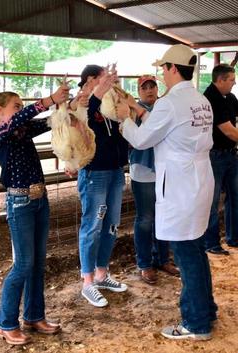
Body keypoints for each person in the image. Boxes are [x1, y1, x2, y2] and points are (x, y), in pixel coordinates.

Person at [116, 44, 217, 340]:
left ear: (172, 69)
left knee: (186, 254)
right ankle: (206, 309)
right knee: (196, 249)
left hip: (180, 184)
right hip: (198, 178)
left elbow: (143, 140)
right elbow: (167, 130)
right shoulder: (199, 99)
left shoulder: (170, 103)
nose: (162, 72)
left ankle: (196, 323)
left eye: (163, 67)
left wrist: (125, 118)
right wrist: (138, 110)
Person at [0, 85, 68, 345]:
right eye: (16, 106)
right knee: (23, 264)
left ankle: (34, 316)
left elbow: (48, 122)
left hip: (38, 200)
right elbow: (21, 120)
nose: (20, 111)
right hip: (20, 202)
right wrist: (49, 100)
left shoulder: (21, 130)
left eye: (21, 107)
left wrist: (68, 105)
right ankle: (5, 322)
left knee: (36, 263)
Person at [69, 65, 128, 308]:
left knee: (111, 224)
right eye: (102, 77)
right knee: (92, 225)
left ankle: (102, 274)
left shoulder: (111, 100)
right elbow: (78, 125)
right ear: (90, 80)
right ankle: (87, 281)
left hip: (115, 170)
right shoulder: (80, 103)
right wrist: (97, 95)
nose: (108, 81)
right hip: (94, 172)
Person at [129, 75, 179, 284]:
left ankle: (163, 259)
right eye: (144, 87)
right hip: (143, 171)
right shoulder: (133, 111)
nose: (149, 90)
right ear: (139, 91)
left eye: (152, 86)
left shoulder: (163, 108)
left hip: (163, 170)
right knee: (146, 219)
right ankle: (145, 263)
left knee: (164, 215)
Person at [203, 64, 238, 254]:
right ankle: (212, 243)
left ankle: (234, 237)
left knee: (235, 196)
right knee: (212, 200)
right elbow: (228, 130)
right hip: (214, 155)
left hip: (230, 154)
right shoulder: (210, 98)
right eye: (231, 80)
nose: (234, 83)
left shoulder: (229, 97)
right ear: (221, 80)